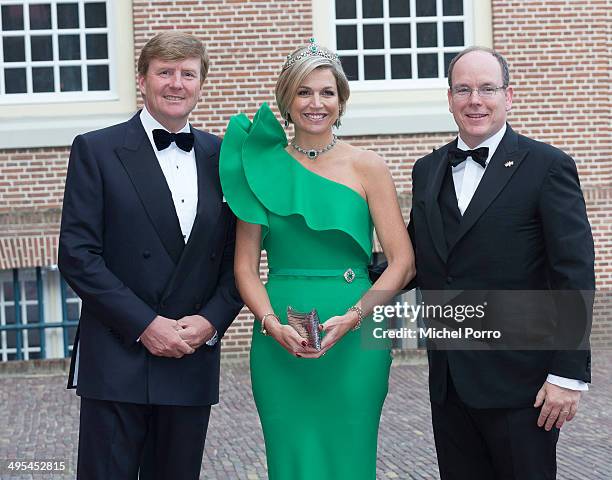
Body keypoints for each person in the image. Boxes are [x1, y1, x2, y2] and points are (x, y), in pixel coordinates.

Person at [384, 46, 594, 479]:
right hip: (450, 384)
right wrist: (332, 276)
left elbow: (573, 273)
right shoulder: (427, 170)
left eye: (486, 89)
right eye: (463, 89)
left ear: (508, 96)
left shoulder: (548, 167)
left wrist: (567, 374)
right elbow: (415, 260)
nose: (474, 100)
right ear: (449, 98)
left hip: (525, 387)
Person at [219, 39, 415, 479]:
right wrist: (271, 324)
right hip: (280, 334)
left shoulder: (369, 167)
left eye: (327, 92)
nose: (316, 103)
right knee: (291, 457)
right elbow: (244, 268)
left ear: (341, 101)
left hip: (357, 330)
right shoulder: (259, 166)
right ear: (287, 99)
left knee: (350, 450)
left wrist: (355, 316)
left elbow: (402, 263)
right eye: (304, 92)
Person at [58, 32, 243, 479]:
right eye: (164, 72)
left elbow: (238, 260)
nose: (176, 83)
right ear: (142, 80)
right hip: (117, 357)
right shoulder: (96, 150)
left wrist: (212, 321)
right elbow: (78, 255)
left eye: (187, 74)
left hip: (190, 355)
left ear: (201, 84)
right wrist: (144, 325)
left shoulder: (227, 158)